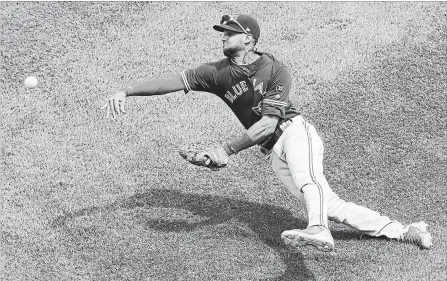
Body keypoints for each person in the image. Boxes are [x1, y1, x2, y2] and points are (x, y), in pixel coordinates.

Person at [102, 14, 432, 251]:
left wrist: (224, 150)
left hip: (295, 133)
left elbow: (267, 125)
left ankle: (317, 230)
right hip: (275, 153)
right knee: (328, 203)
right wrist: (126, 91)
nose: (222, 37)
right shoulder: (216, 73)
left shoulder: (274, 70)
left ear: (248, 37)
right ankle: (405, 231)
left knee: (310, 182)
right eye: (222, 33)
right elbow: (171, 82)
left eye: (228, 33)